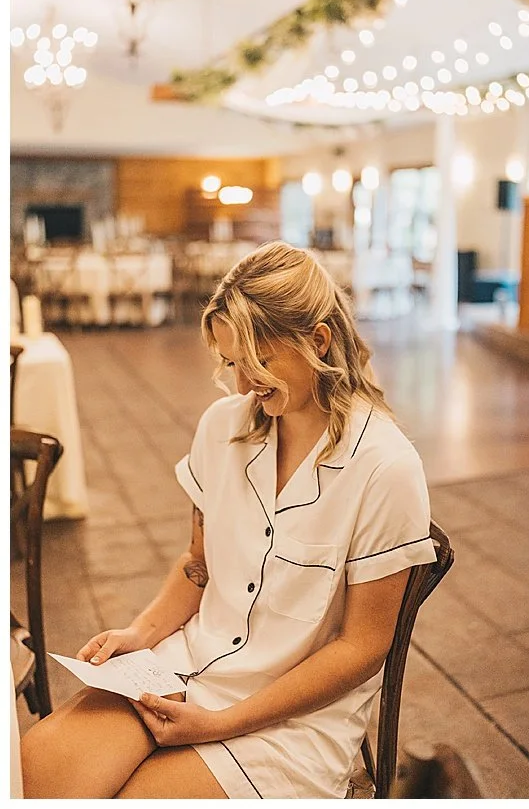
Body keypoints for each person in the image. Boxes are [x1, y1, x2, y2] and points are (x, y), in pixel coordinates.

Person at [20, 242, 437, 798]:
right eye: (232, 363)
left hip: (291, 719)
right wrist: (139, 634)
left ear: (318, 340)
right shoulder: (222, 427)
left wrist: (220, 724)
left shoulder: (385, 467)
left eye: (258, 363)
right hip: (186, 664)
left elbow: (362, 647)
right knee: (31, 780)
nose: (242, 385)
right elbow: (198, 564)